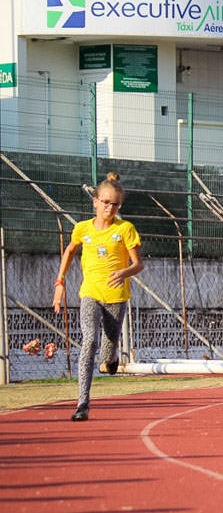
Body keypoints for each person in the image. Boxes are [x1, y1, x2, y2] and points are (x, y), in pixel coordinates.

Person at [52, 172, 144, 422]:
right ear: (95, 201)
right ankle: (82, 403)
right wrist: (60, 282)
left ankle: (112, 358)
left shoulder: (125, 229)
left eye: (115, 204)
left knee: (105, 355)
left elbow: (138, 265)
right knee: (89, 340)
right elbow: (70, 252)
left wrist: (124, 271)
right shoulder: (82, 229)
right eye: (105, 202)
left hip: (116, 297)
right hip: (90, 294)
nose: (109, 208)